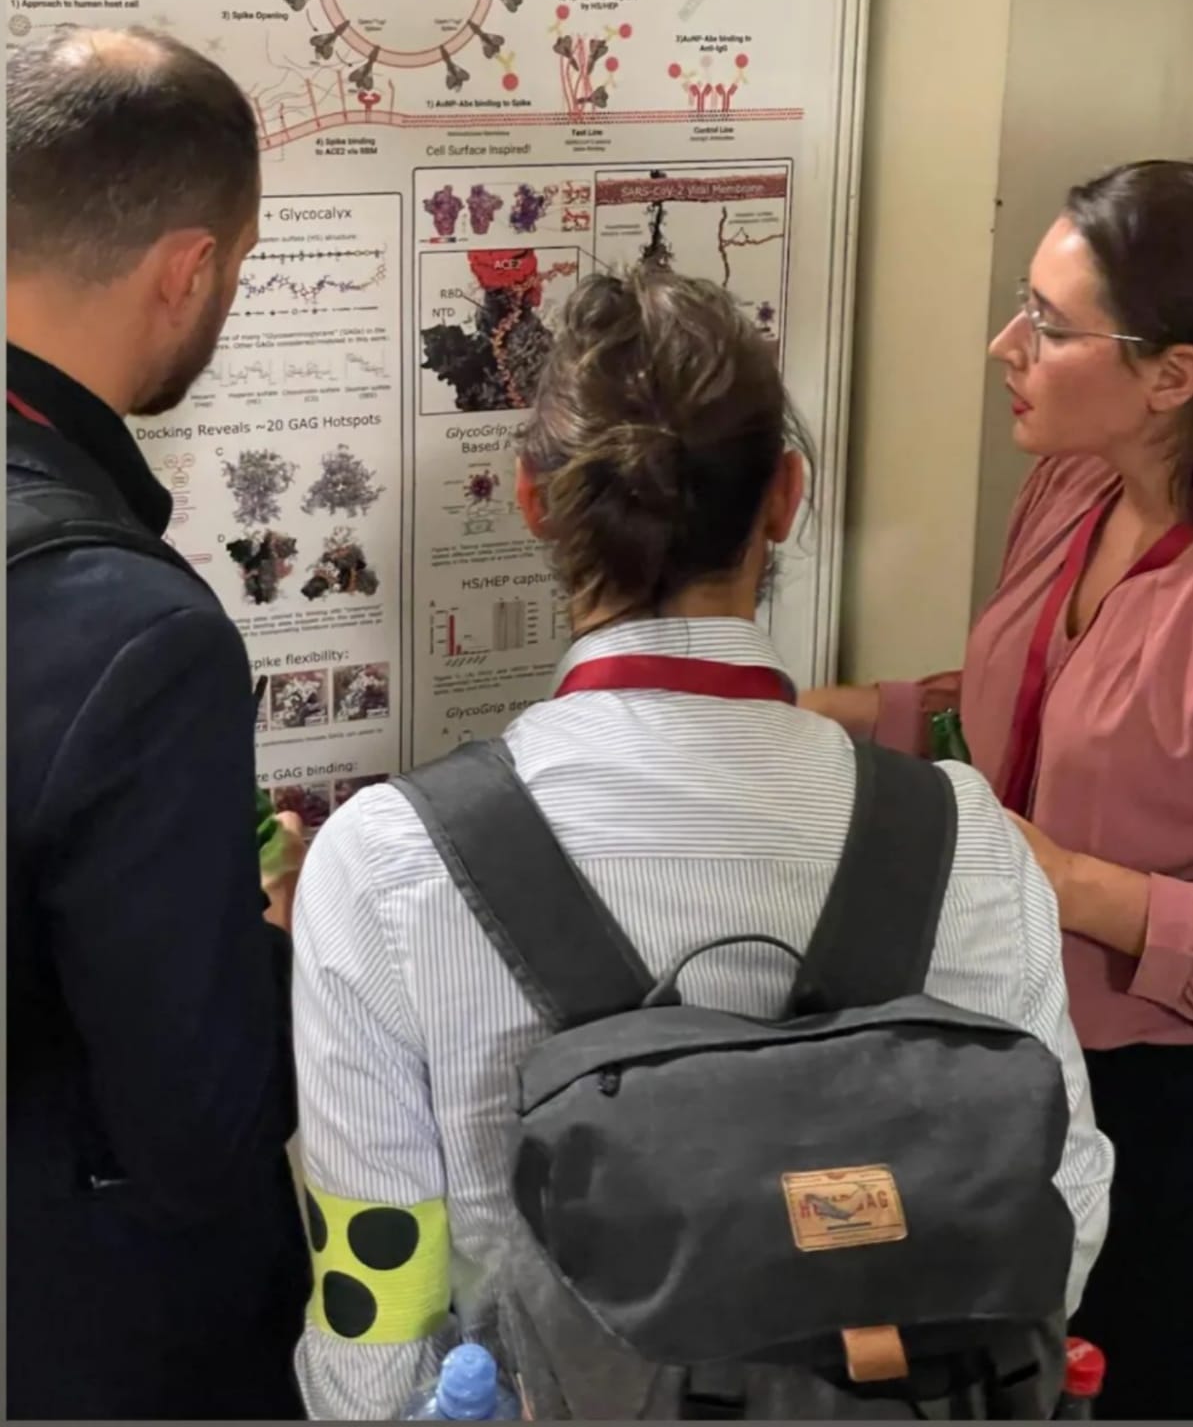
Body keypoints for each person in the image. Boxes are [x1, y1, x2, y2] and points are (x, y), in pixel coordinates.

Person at [292, 266, 1112, 1420]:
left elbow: (377, 1284)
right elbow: (1058, 1207)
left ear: (530, 500)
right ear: (784, 497)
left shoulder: (384, 863)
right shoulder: (957, 833)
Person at [802, 160, 1193, 1420]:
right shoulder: (1068, 485)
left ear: (1170, 375)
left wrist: (1069, 882)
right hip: (1005, 1038)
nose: (1000, 344)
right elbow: (1005, 704)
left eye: (1046, 323)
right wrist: (826, 714)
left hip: (1152, 1094)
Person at [6, 27, 310, 1419]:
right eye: (236, 275)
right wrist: (276, 942)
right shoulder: (140, 641)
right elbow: (193, 1135)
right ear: (188, 268)